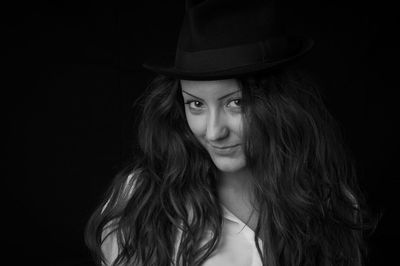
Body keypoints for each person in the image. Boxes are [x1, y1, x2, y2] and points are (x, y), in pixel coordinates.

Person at [85, 0, 371, 265]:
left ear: (282, 106)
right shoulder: (141, 203)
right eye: (195, 104)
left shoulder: (332, 201)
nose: (213, 131)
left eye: (236, 102)